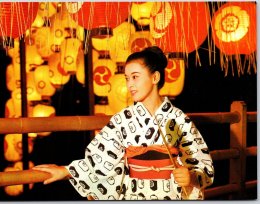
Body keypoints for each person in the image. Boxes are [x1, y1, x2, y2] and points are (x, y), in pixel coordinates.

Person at [32, 46, 214, 200]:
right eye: (127, 78)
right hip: (135, 193)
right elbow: (100, 160)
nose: (129, 85)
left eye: (135, 77)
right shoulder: (123, 119)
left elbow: (202, 163)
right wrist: (65, 171)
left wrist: (190, 177)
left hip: (172, 194)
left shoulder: (179, 119)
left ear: (155, 78)